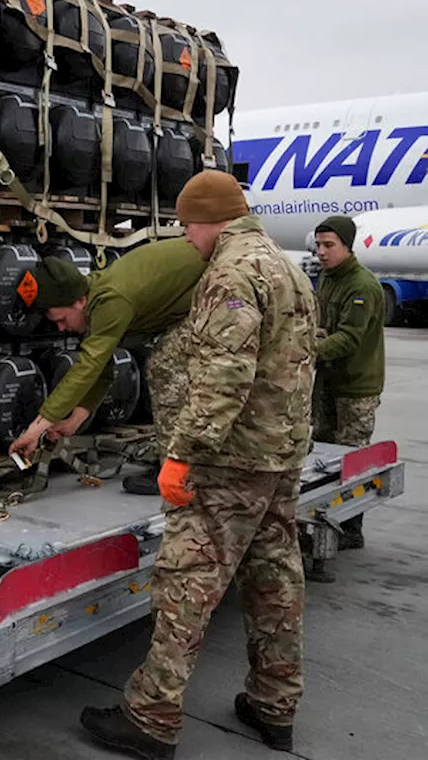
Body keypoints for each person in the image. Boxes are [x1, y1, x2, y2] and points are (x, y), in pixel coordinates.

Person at [80, 170, 317, 759]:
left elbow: (222, 379)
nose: (187, 239)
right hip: (280, 454)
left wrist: (182, 454)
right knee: (275, 581)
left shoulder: (231, 272)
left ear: (210, 219)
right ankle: (274, 705)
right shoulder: (288, 266)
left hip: (229, 461)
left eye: (188, 226)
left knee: (187, 585)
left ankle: (152, 716)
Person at [8, 239, 206, 494]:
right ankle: (179, 461)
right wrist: (74, 421)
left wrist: (36, 428)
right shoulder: (95, 299)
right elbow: (101, 369)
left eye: (61, 319)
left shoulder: (111, 300)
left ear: (79, 301)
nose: (60, 328)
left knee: (165, 367)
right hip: (197, 296)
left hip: (220, 287)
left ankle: (179, 471)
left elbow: (88, 366)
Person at [309, 214, 385, 577]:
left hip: (356, 386)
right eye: (319, 245)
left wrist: (308, 347)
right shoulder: (327, 278)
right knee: (323, 454)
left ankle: (351, 529)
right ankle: (324, 519)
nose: (321, 252)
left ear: (347, 246)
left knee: (351, 459)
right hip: (328, 382)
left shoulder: (362, 286)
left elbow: (349, 339)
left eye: (329, 246)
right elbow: (324, 325)